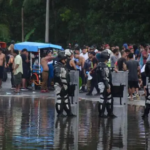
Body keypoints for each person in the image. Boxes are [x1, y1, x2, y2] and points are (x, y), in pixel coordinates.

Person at [54, 51, 75, 117]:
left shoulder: (61, 66)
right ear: (62, 59)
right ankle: (60, 113)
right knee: (60, 98)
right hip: (60, 85)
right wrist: (62, 85)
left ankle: (69, 113)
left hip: (64, 84)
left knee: (66, 98)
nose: (66, 60)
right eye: (65, 59)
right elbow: (57, 76)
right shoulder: (58, 66)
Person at [96, 52, 116, 118]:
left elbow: (107, 73)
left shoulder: (102, 65)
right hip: (103, 84)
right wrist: (107, 86)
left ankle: (109, 113)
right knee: (103, 98)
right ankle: (102, 113)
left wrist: (113, 69)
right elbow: (104, 77)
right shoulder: (102, 66)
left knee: (108, 99)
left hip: (105, 83)